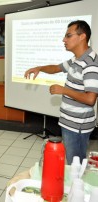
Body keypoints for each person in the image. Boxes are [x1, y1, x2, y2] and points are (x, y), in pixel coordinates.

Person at [24, 20, 98, 165]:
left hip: (78, 126)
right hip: (69, 122)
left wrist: (64, 90)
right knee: (72, 163)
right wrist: (39, 68)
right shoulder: (76, 59)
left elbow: (90, 99)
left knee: (75, 167)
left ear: (82, 36)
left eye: (68, 36)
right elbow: (56, 68)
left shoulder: (90, 64)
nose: (64, 40)